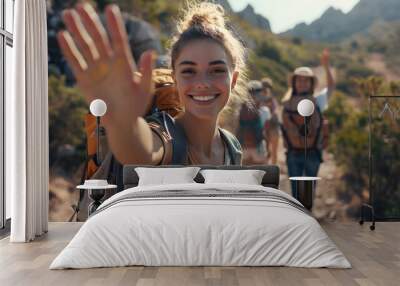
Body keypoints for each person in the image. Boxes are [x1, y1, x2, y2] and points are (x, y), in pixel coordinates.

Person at [57, 2, 250, 166]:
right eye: (189, 71)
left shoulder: (232, 147)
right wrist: (125, 124)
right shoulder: (165, 136)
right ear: (175, 79)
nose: (202, 83)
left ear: (233, 80)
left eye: (217, 70)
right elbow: (140, 151)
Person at [281, 49, 334, 197]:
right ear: (294, 82)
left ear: (311, 83)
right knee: (296, 195)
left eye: (306, 80)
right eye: (299, 80)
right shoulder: (287, 102)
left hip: (312, 153)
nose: (302, 83)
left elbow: (331, 87)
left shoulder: (318, 100)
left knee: (308, 194)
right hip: (293, 153)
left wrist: (326, 66)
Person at [238, 80, 268, 165]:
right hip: (259, 146)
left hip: (243, 146)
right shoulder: (265, 111)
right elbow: (266, 130)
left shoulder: (240, 110)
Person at [260, 77, 280, 165]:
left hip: (271, 126)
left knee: (272, 150)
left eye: (267, 86)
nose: (265, 88)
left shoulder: (270, 99)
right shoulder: (269, 99)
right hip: (267, 127)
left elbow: (275, 111)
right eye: (264, 86)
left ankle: (273, 167)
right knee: (268, 150)